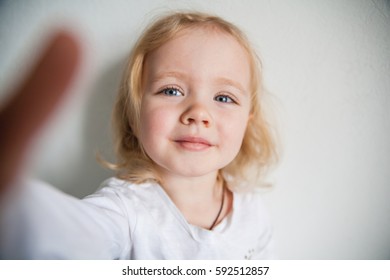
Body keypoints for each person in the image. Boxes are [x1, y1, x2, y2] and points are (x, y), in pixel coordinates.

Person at [0, 11, 277, 259]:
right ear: (135, 114)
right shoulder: (125, 211)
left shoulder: (252, 210)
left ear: (247, 121)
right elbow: (72, 234)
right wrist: (13, 202)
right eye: (172, 90)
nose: (199, 113)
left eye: (224, 97)